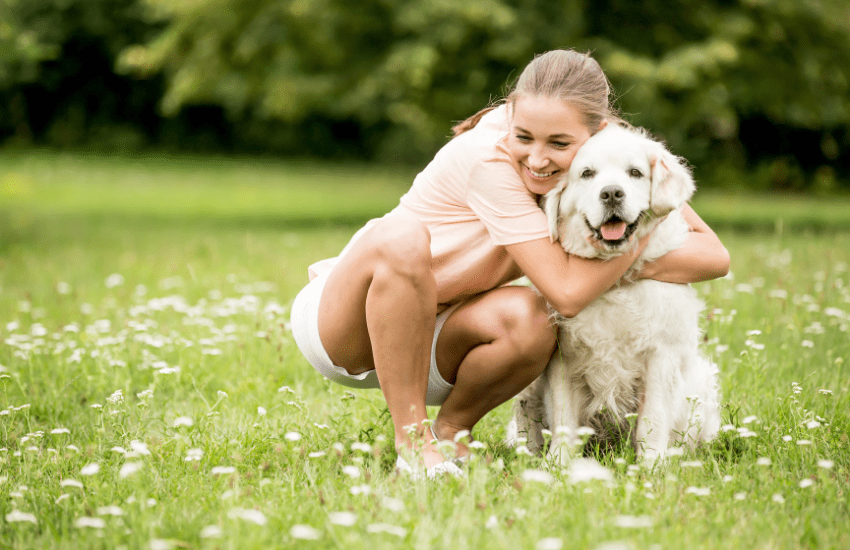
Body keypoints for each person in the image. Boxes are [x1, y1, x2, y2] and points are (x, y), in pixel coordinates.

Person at [289, 50, 730, 476]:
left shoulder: (610, 156)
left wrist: (637, 219)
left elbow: (713, 254)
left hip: (437, 336)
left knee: (534, 318)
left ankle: (450, 435)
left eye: (558, 144)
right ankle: (413, 447)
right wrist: (641, 224)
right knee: (402, 238)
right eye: (524, 137)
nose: (537, 159)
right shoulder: (488, 158)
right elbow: (569, 293)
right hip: (348, 329)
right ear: (510, 118)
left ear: (596, 131)